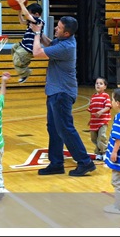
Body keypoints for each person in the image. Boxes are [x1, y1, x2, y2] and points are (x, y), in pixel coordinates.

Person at [30, 16, 96, 177]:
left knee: (65, 129)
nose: (56, 29)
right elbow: (49, 43)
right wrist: (39, 31)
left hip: (62, 93)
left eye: (58, 28)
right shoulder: (61, 41)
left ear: (66, 33)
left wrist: (36, 34)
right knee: (53, 128)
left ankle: (85, 162)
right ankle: (56, 163)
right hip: (55, 91)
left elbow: (37, 52)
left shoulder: (66, 47)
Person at [11, 0, 44, 83]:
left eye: (30, 14)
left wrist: (21, 4)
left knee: (17, 61)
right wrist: (19, 12)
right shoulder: (32, 21)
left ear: (37, 14)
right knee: (14, 48)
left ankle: (25, 73)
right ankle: (24, 65)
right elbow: (22, 22)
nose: (28, 16)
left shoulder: (39, 21)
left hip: (29, 48)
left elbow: (26, 15)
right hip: (23, 45)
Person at [87, 77, 112, 161]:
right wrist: (90, 120)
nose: (98, 85)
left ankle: (105, 152)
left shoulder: (106, 96)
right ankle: (98, 152)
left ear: (105, 87)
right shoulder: (93, 97)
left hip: (103, 121)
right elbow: (91, 110)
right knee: (94, 138)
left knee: (101, 136)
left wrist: (101, 112)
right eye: (97, 83)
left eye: (101, 83)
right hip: (94, 122)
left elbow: (108, 106)